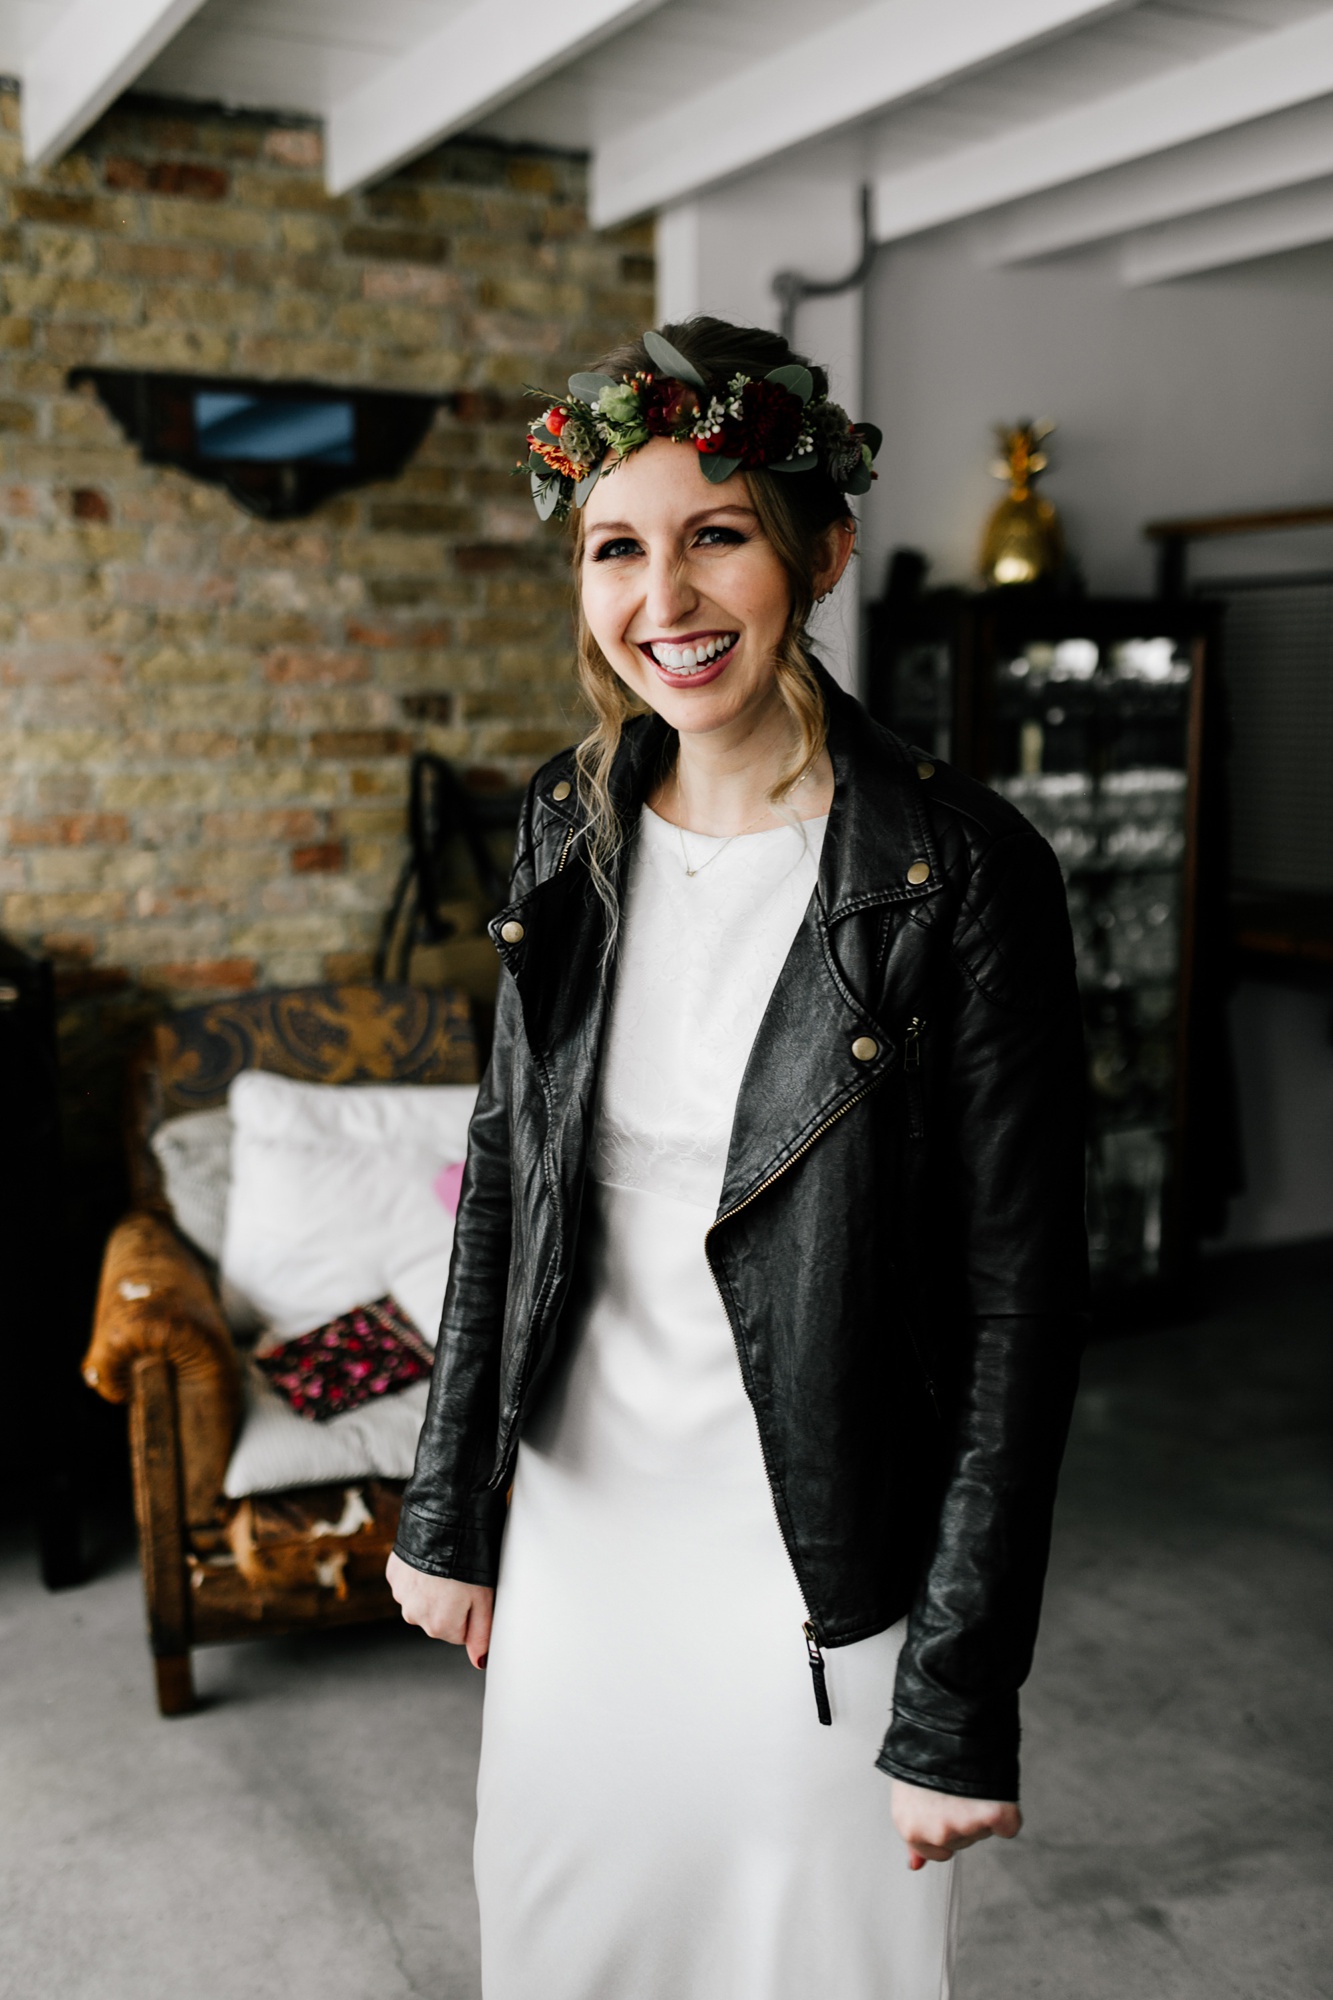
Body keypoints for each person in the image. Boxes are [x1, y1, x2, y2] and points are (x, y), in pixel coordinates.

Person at [387, 318, 1088, 1999]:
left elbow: (1018, 1314)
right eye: (616, 548)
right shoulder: (568, 828)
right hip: (579, 1532)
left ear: (817, 548)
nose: (663, 600)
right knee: (568, 1949)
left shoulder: (962, 869)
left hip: (817, 1565)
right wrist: (450, 1508)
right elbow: (508, 1172)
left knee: (807, 1967)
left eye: (716, 534)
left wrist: (954, 1696)